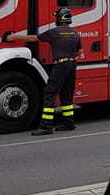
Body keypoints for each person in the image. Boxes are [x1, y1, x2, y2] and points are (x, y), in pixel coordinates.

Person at [5, 7, 82, 135]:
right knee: (66, 95)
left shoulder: (54, 32)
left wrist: (14, 37)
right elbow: (80, 52)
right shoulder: (75, 33)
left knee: (49, 94)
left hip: (60, 65)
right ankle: (69, 123)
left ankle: (46, 126)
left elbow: (32, 39)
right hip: (72, 65)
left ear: (59, 18)